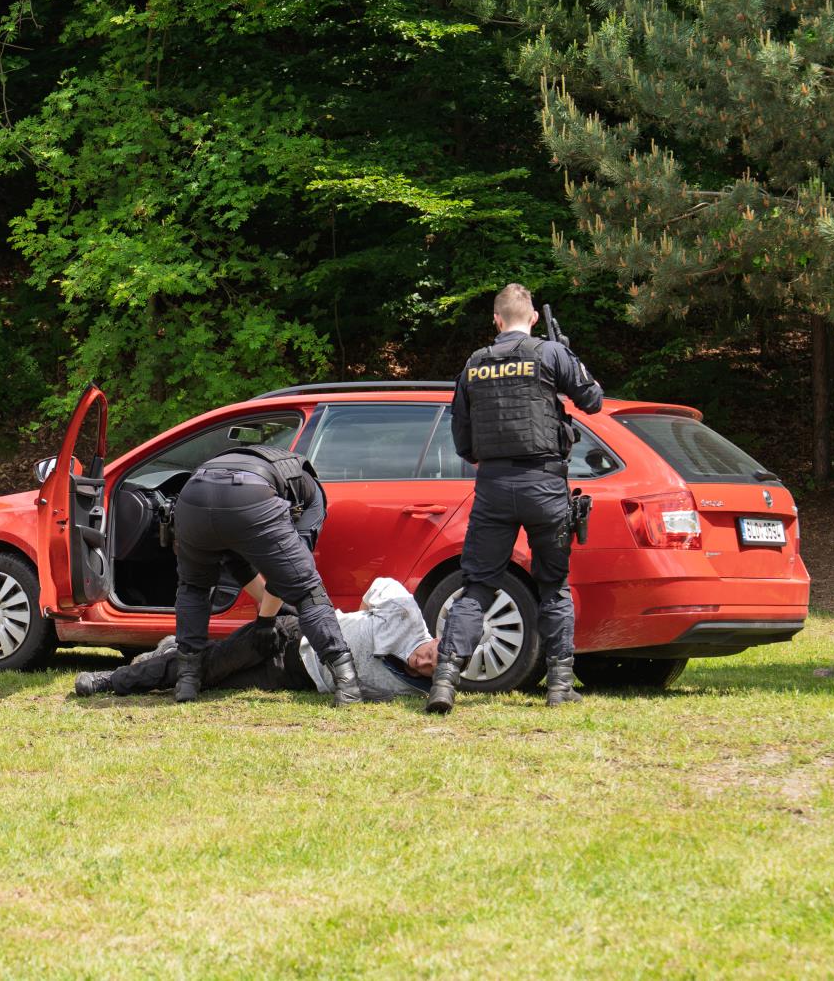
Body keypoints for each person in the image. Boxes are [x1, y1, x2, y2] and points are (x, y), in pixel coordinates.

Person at [426, 283, 604, 714]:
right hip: (544, 485)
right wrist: (570, 357)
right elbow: (593, 400)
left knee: (478, 585)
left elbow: (462, 435)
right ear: (534, 319)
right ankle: (559, 685)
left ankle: (444, 682)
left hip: (492, 486)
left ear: (496, 320)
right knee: (553, 585)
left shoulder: (474, 363)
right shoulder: (551, 354)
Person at [171, 444, 364, 705]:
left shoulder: (264, 469)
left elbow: (235, 561)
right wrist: (265, 621)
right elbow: (291, 574)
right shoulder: (314, 495)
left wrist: (266, 616)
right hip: (249, 494)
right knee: (308, 591)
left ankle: (187, 682)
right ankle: (348, 684)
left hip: (192, 494)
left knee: (194, 588)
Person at [77, 578, 435, 702]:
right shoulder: (406, 615)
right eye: (430, 653)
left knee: (212, 682)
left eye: (431, 668)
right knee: (202, 670)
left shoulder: (419, 690)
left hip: (294, 678)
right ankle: (111, 680)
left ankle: (170, 652)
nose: (423, 662)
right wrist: (353, 622)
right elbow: (379, 586)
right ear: (437, 638)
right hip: (289, 635)